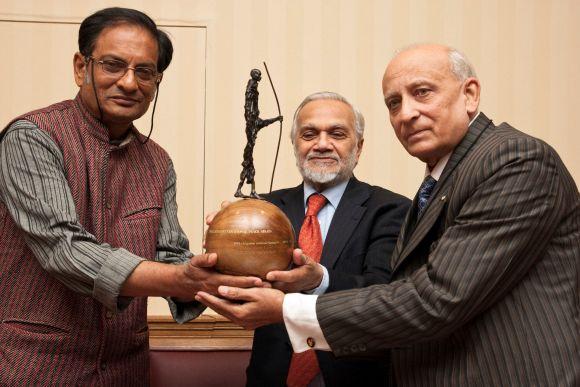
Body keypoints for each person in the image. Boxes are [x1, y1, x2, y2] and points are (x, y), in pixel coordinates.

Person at [197, 44, 580, 386]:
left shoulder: (513, 160)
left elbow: (435, 300)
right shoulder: (439, 182)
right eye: (394, 103)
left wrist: (287, 307)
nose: (407, 113)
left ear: (470, 94)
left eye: (422, 92)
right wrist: (224, 251)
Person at [0, 7, 262, 385]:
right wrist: (181, 279)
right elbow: (64, 249)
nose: (128, 83)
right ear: (80, 67)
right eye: (113, 65)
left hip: (126, 373)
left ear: (157, 81)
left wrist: (237, 272)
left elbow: (171, 255)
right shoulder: (33, 137)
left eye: (145, 72)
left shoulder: (158, 161)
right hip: (36, 370)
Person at [245, 92, 410, 386]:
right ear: (295, 145)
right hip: (271, 378)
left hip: (353, 377)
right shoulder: (263, 210)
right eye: (309, 134)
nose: (322, 144)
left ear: (358, 148)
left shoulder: (390, 210)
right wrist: (224, 240)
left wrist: (318, 279)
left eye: (337, 133)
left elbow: (385, 293)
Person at [235, 69, 283, 198]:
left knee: (250, 169)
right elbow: (249, 103)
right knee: (250, 168)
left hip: (249, 150)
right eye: (258, 75)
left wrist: (276, 119)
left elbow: (264, 122)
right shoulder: (252, 122)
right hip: (248, 148)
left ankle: (247, 190)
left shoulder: (256, 123)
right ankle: (247, 190)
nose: (260, 77)